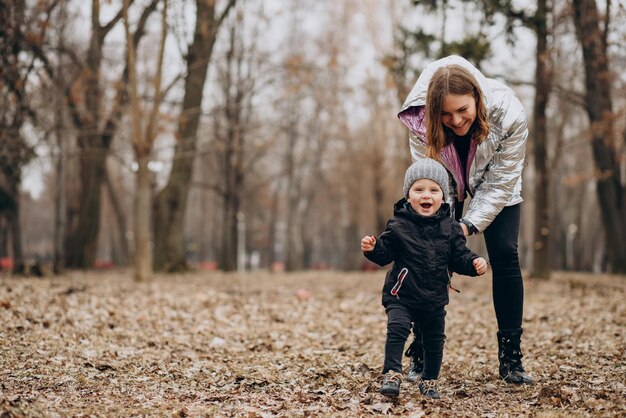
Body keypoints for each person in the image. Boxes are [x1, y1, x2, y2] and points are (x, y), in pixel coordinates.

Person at [397, 55, 533, 385]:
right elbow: (431, 180)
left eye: (462, 110)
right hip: (445, 184)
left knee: (504, 254)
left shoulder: (508, 111)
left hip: (497, 183)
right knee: (428, 258)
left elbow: (501, 180)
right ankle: (422, 351)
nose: (455, 120)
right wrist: (444, 224)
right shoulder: (420, 122)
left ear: (477, 98)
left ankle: (511, 359)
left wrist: (468, 225)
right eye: (445, 114)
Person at [361, 158, 488, 399]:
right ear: (408, 196)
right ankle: (392, 373)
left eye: (433, 189)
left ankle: (430, 380)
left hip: (434, 297)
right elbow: (385, 253)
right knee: (397, 328)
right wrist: (372, 248)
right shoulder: (398, 225)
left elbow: (459, 256)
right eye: (418, 189)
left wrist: (473, 263)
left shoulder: (451, 228)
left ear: (443, 197)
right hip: (402, 294)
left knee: (434, 338)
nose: (425, 195)